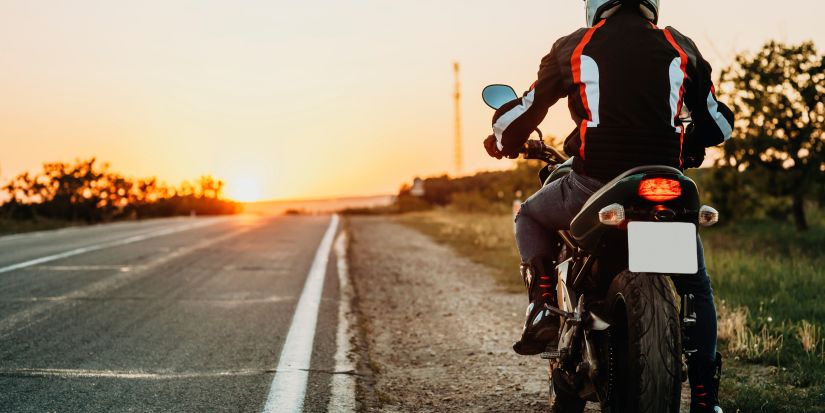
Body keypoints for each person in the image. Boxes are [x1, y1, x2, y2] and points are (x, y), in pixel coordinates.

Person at [482, 1, 734, 412]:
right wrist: (690, 143)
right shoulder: (680, 45)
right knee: (695, 285)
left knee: (529, 214)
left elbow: (525, 110)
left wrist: (501, 140)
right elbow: (717, 124)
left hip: (593, 184)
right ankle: (706, 399)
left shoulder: (575, 45)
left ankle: (544, 309)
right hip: (666, 183)